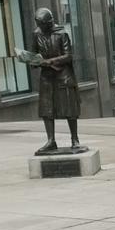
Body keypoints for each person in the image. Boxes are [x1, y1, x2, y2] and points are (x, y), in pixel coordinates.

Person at [28, 8, 82, 155]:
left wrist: (50, 61)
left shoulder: (61, 33)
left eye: (41, 24)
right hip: (46, 77)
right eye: (37, 23)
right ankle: (51, 140)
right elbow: (33, 53)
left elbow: (68, 56)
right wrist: (32, 61)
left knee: (69, 109)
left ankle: (75, 139)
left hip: (63, 76)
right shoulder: (36, 34)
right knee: (47, 109)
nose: (39, 27)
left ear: (49, 22)